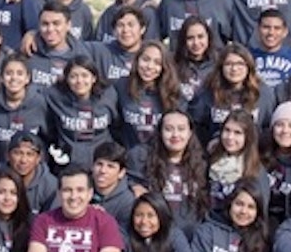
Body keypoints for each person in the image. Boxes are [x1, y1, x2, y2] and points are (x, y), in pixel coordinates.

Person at [188, 43, 275, 146]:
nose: (234, 69)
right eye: (229, 64)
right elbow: (197, 127)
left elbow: (268, 127)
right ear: (221, 67)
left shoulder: (263, 93)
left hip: (253, 154)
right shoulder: (207, 92)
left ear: (249, 66)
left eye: (240, 64)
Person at [43, 56, 119, 172]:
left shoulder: (109, 96)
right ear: (67, 79)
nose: (79, 81)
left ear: (94, 78)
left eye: (84, 76)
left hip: (101, 166)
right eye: (73, 76)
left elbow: (117, 125)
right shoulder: (55, 97)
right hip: (69, 166)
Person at [115, 40, 182, 173]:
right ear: (137, 60)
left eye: (157, 63)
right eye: (145, 59)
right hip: (129, 162)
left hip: (161, 164)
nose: (150, 66)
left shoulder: (173, 93)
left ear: (164, 67)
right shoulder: (121, 86)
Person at [143, 110, 211, 233]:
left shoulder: (204, 165)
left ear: (190, 133)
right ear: (160, 133)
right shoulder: (145, 162)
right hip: (158, 235)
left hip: (192, 236)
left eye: (181, 129)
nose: (175, 135)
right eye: (168, 129)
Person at [0, 54, 45, 170]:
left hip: (33, 170)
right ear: (1, 78)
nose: (14, 78)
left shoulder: (39, 103)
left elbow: (48, 136)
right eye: (9, 73)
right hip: (1, 169)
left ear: (27, 78)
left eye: (20, 73)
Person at [206, 110, 270, 216]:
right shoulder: (211, 161)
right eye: (227, 130)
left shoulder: (256, 171)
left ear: (247, 137)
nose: (230, 137)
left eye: (237, 133)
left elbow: (260, 211)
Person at [171, 16, 218, 105]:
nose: (196, 43)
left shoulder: (219, 64)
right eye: (190, 38)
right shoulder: (173, 64)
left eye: (200, 37)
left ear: (208, 37)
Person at [249, 9, 291, 88]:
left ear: (285, 32)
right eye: (266, 27)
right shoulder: (247, 57)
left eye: (277, 28)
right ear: (258, 30)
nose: (271, 33)